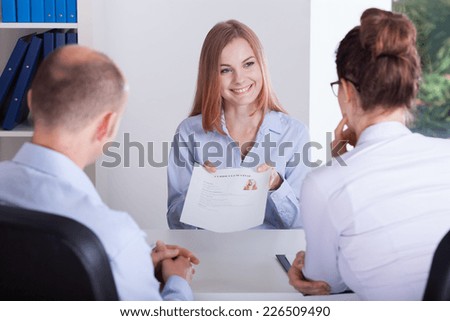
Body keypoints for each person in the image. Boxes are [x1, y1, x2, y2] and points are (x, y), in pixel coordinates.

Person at [0, 45, 199, 300]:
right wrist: (177, 282)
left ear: (30, 102)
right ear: (106, 126)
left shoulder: (111, 244)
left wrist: (127, 264)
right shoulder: (114, 236)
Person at [288, 8, 450, 300]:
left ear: (347, 91)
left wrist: (337, 166)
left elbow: (325, 283)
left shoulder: (324, 184)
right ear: (411, 89)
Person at [167, 20, 310, 229]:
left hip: (270, 259)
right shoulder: (189, 133)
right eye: (226, 70)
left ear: (261, 65)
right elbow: (175, 223)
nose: (239, 79)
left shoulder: (294, 133)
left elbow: (301, 224)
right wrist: (199, 194)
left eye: (248, 64)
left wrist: (277, 186)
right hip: (209, 258)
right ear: (211, 76)